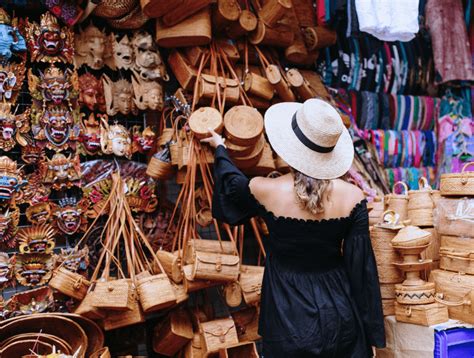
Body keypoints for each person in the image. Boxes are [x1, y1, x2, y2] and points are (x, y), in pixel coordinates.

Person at [202, 99, 386, 357]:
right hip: (339, 311)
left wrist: (220, 149)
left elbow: (232, 186)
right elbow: (362, 270)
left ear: (291, 146)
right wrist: (371, 335)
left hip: (286, 311)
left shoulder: (266, 190)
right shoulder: (354, 198)